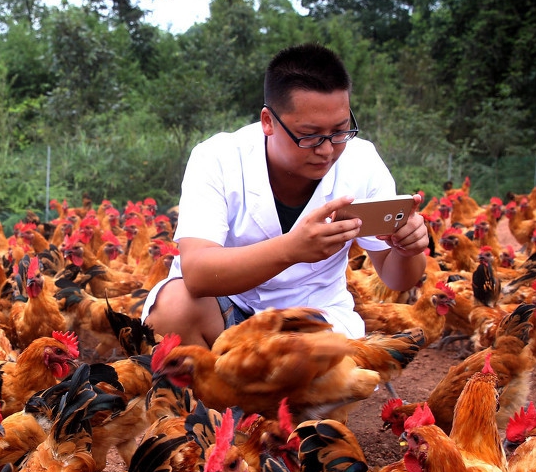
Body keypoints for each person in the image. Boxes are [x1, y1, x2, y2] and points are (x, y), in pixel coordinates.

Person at [142, 42, 428, 346]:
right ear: (268, 122)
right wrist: (291, 248)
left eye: (340, 130)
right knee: (173, 308)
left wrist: (408, 250)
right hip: (228, 309)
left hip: (312, 318)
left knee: (307, 359)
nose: (327, 149)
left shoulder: (362, 162)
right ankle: (212, 393)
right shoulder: (217, 157)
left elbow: (396, 278)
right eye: (310, 135)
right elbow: (197, 274)